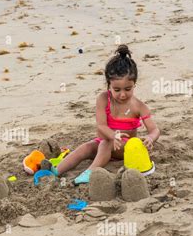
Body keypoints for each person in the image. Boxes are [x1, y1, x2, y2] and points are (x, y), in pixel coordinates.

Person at [52, 44, 160, 184]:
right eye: (116, 89)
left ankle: (90, 172)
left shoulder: (139, 106)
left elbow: (154, 129)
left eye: (128, 89)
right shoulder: (103, 99)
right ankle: (55, 171)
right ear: (108, 85)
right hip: (106, 141)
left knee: (105, 143)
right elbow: (101, 126)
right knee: (86, 147)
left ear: (134, 84)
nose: (122, 95)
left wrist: (151, 138)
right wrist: (113, 135)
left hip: (124, 147)